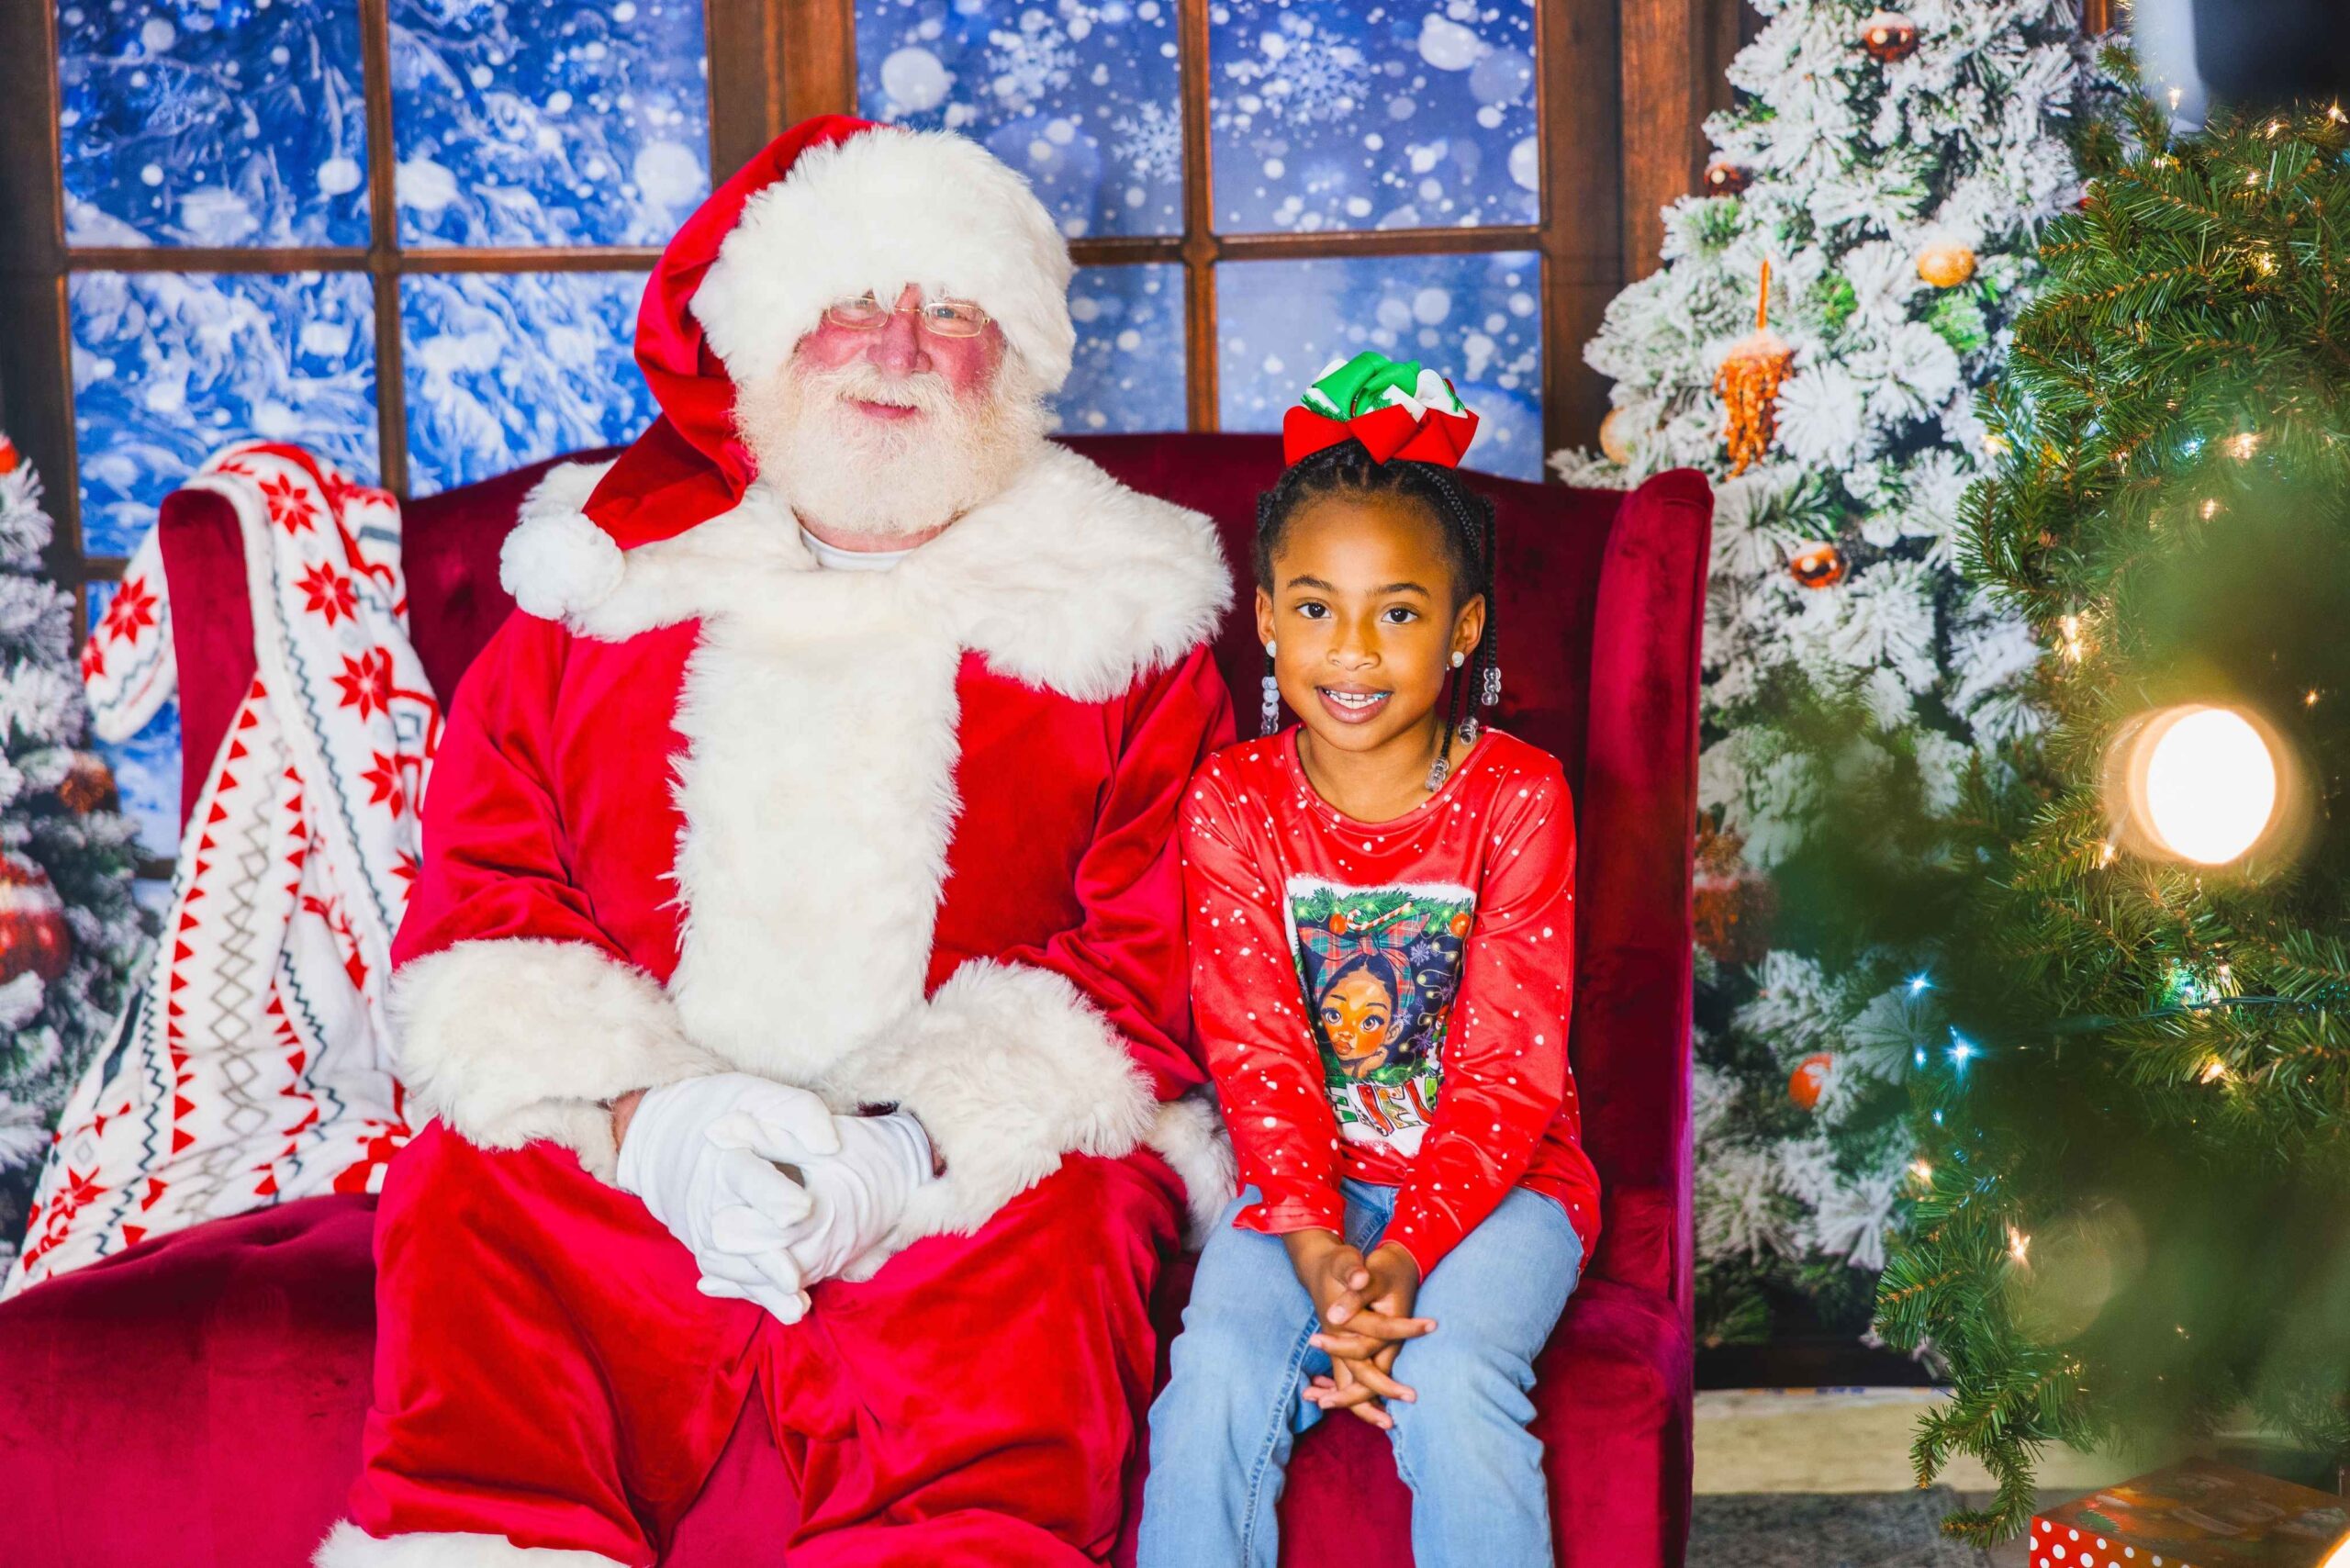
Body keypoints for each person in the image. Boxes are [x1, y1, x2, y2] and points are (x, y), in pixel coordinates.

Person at [317, 116, 1237, 1567]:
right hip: (639, 1146)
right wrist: (648, 1120)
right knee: (470, 1184)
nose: (897, 348)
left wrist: (912, 1146)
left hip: (962, 1178)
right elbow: (487, 898)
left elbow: (1158, 945)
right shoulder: (604, 588)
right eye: (854, 304)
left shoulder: (1128, 611)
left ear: (1014, 362)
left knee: (1065, 1233)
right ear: (767, 340)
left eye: (951, 313)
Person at [1136, 353, 1601, 1568]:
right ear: (1266, 616)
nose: (1351, 652)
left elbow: (1509, 1068)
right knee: (1216, 1377)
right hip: (1300, 1187)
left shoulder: (1519, 797)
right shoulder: (1233, 803)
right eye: (1314, 608)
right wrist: (1314, 1252)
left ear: (1464, 629)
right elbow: (1256, 1049)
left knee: (1451, 1380)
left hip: (1504, 1187)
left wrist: (1398, 1261)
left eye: (1397, 612)